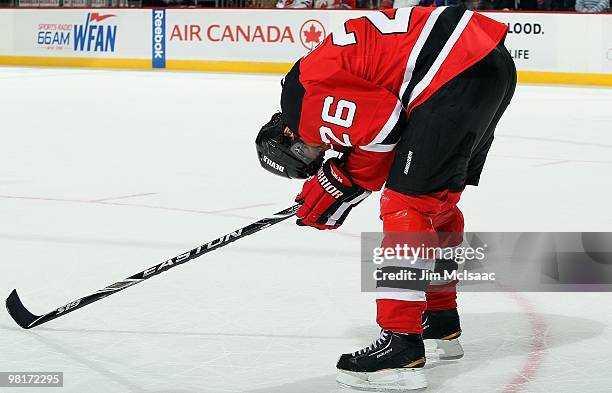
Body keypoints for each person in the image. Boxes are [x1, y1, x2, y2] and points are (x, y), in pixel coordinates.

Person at [255, 5, 516, 391]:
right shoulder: (306, 82)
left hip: (454, 72)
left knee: (404, 205)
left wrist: (340, 184)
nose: (322, 152)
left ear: (289, 138)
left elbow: (383, 128)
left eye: (309, 157)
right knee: (436, 205)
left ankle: (401, 344)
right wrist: (341, 183)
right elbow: (381, 127)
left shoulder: (304, 105)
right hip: (485, 65)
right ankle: (438, 318)